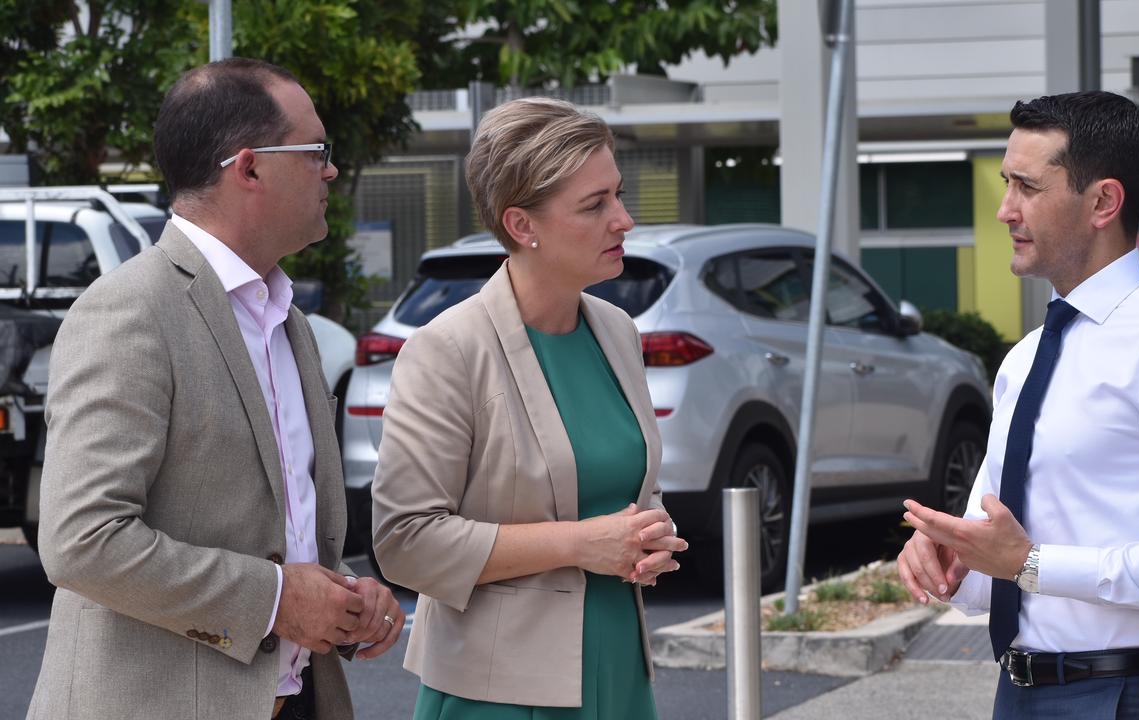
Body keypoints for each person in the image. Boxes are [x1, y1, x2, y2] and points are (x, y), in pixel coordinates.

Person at [27, 58, 405, 720]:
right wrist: (277, 599)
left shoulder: (289, 320)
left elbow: (279, 532)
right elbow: (82, 539)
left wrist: (346, 596)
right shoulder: (131, 310)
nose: (332, 170)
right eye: (316, 151)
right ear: (250, 167)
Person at [897, 90, 1139, 718]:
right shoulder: (1025, 358)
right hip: (1020, 691)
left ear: (1103, 202)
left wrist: (1031, 564)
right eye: (1007, 183)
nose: (1005, 210)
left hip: (1133, 696)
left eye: (1028, 188)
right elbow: (997, 563)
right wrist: (956, 563)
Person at [371, 97, 686, 718]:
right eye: (594, 205)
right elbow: (405, 541)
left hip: (620, 671)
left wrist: (652, 534)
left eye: (617, 195)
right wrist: (579, 544)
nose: (622, 219)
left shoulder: (617, 331)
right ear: (522, 226)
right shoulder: (448, 349)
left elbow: (619, 497)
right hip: (499, 694)